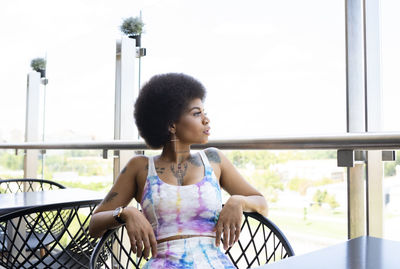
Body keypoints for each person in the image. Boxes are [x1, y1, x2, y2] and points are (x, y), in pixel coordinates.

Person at [89, 73, 268, 268]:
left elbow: (262, 204)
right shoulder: (139, 167)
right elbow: (94, 226)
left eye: (204, 112)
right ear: (171, 124)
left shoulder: (214, 159)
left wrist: (238, 201)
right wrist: (127, 213)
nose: (206, 120)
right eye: (196, 113)